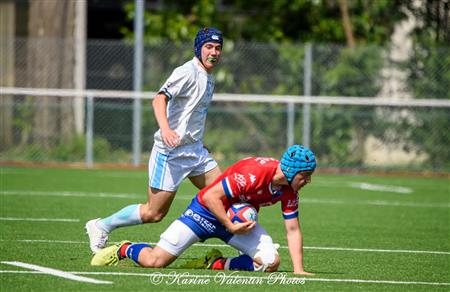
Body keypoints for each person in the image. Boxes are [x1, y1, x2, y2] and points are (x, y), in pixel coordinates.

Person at [85, 27, 224, 254]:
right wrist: (166, 130)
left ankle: (251, 250)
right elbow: (159, 99)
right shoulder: (186, 71)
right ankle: (101, 225)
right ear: (198, 49)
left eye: (218, 48)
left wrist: (198, 140)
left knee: (226, 194)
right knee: (154, 213)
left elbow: (192, 114)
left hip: (196, 151)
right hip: (171, 153)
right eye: (209, 47)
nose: (214, 52)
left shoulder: (209, 77)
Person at [91, 145, 317, 275]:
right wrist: (229, 224)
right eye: (305, 176)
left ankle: (215, 263)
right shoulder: (253, 173)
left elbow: (293, 229)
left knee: (270, 262)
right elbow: (210, 196)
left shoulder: (289, 190)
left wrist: (298, 269)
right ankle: (124, 249)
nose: (308, 181)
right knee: (155, 262)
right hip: (204, 213)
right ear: (290, 170)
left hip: (234, 223)